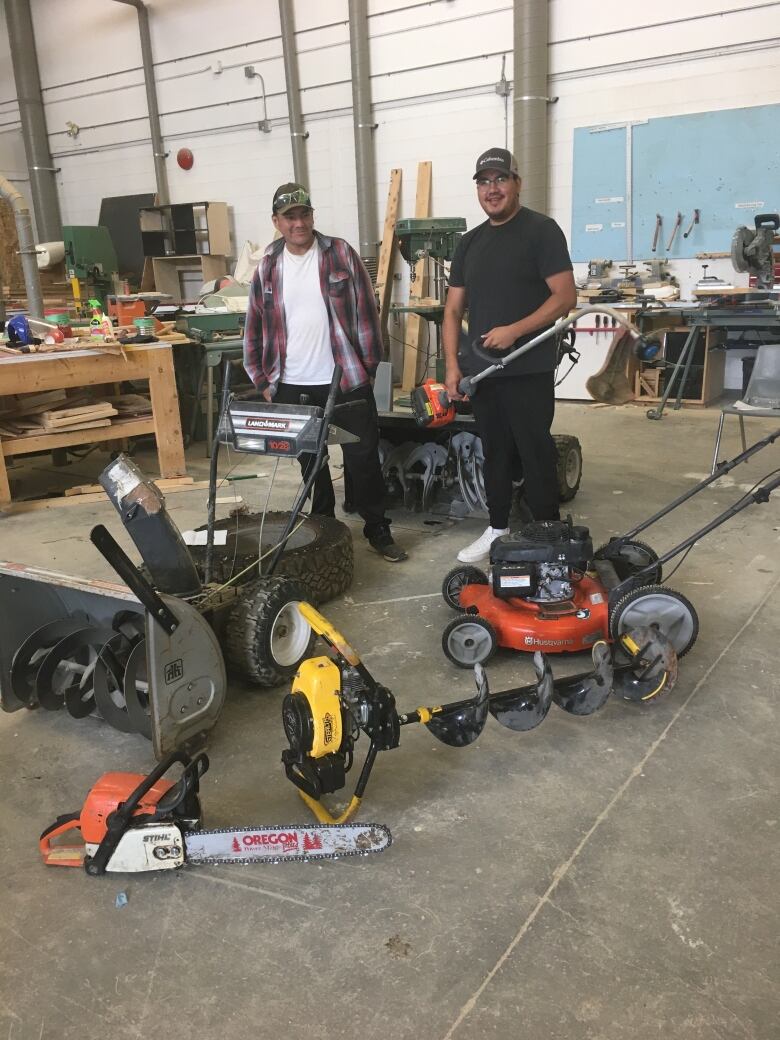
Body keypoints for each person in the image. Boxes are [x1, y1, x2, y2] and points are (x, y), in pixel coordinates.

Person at [243, 182, 407, 562]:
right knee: (310, 463)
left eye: (304, 214)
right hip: (292, 383)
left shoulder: (339, 254)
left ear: (312, 216)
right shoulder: (268, 266)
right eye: (289, 217)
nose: (298, 223)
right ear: (277, 222)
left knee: (362, 457)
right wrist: (263, 381)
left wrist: (367, 369)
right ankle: (323, 529)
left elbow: (368, 313)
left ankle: (377, 528)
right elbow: (254, 325)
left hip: (344, 378)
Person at [443, 148, 577, 564]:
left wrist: (515, 331)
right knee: (495, 451)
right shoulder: (470, 243)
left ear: (516, 183)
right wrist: (452, 367)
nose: (492, 189)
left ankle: (549, 535)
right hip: (483, 372)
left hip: (529, 367)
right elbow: (451, 310)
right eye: (484, 182)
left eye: (500, 179)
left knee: (534, 451)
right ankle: (497, 527)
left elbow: (566, 297)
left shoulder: (541, 231)